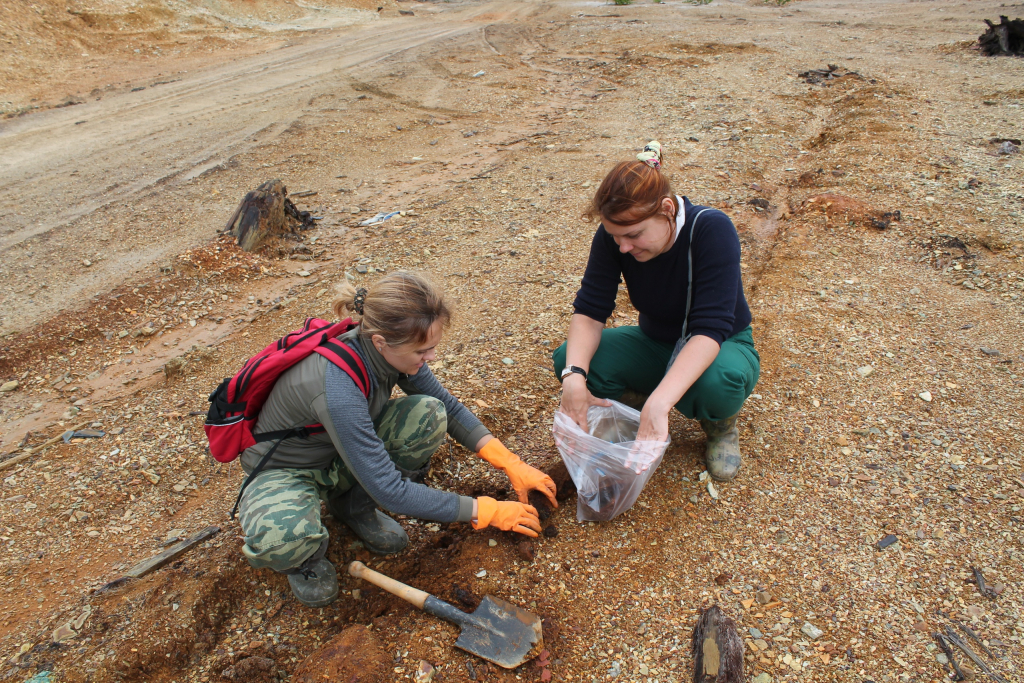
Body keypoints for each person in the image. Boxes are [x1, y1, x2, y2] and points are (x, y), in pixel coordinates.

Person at [238, 271, 557, 607]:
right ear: (380, 343)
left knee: (430, 415)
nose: (430, 357)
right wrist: (485, 511)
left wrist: (512, 463)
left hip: (341, 453)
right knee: (284, 538)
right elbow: (392, 491)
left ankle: (351, 505)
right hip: (288, 469)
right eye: (423, 350)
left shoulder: (393, 349)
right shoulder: (338, 387)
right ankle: (305, 562)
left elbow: (449, 409)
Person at [553, 141, 760, 481]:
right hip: (656, 340)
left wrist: (661, 403)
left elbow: (710, 329)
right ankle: (637, 410)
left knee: (716, 383)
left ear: (666, 209)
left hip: (721, 345)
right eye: (616, 236)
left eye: (633, 235)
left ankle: (720, 426)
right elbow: (590, 311)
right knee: (570, 360)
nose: (623, 246)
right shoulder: (616, 236)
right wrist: (573, 378)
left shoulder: (710, 229)